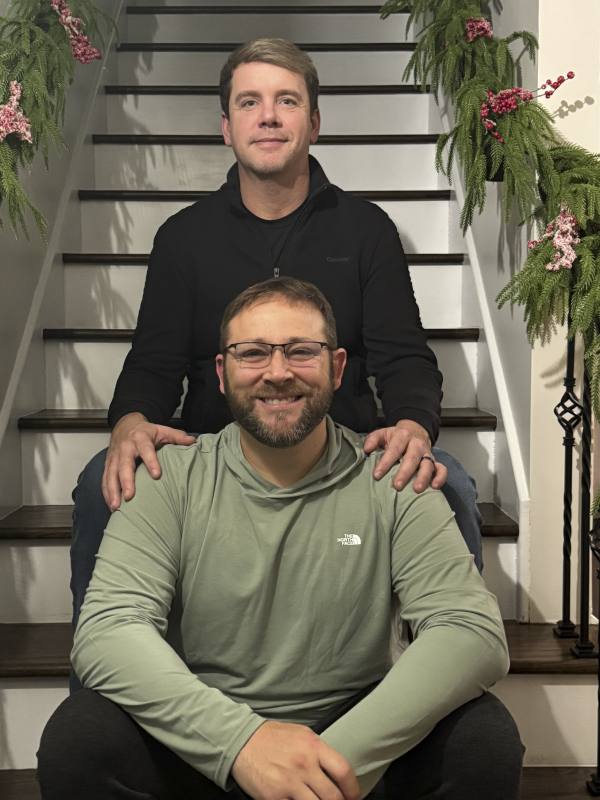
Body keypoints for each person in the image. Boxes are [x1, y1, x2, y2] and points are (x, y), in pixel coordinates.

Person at [70, 38, 484, 689]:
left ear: (313, 123)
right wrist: (129, 426)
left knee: (450, 483)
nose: (268, 116)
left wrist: (413, 426)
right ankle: (109, 701)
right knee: (105, 481)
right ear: (226, 127)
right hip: (213, 458)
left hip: (345, 455)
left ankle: (438, 699)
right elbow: (152, 366)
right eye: (249, 103)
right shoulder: (183, 238)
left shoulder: (367, 230)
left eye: (286, 101)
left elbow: (406, 359)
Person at [39, 279, 522, 800]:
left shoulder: (395, 476)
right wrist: (243, 747)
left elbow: (469, 630)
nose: (277, 372)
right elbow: (108, 628)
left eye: (301, 351)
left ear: (337, 367)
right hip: (204, 732)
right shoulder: (166, 477)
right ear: (221, 372)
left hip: (354, 743)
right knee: (79, 738)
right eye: (252, 353)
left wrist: (319, 769)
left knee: (484, 740)